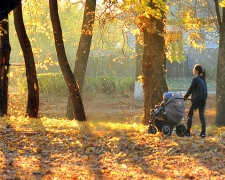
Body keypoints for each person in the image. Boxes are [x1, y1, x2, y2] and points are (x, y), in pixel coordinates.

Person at [184, 64, 207, 137]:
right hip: (203, 100)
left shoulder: (195, 79)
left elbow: (190, 90)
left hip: (197, 101)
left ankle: (187, 132)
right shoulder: (203, 80)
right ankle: (203, 133)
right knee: (201, 115)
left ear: (196, 71)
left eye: (194, 69)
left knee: (190, 115)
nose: (193, 70)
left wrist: (185, 97)